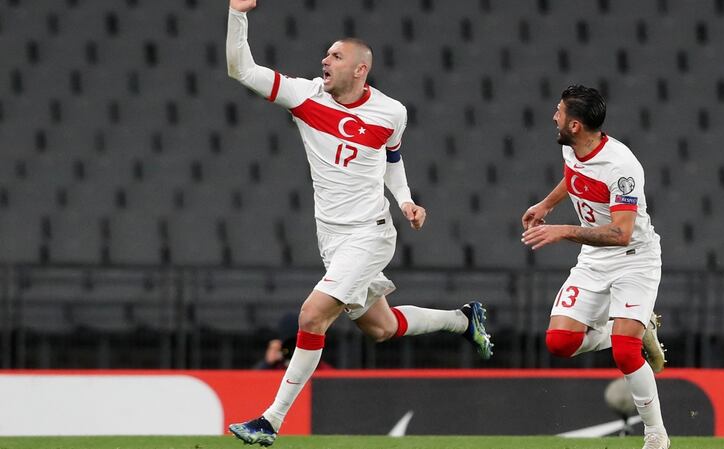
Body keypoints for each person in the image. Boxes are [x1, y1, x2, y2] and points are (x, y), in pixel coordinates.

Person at [225, 1, 493, 445]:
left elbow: (392, 157)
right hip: (330, 237)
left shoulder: (391, 112)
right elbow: (241, 69)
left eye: (335, 56)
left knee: (311, 317)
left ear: (360, 69)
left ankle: (270, 421)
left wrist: (405, 200)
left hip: (369, 233)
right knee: (381, 328)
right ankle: (463, 320)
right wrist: (238, 13)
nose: (324, 61)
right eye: (325, 55)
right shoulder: (305, 95)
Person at [520, 85, 670, 449]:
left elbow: (621, 233)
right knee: (559, 342)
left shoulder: (622, 167)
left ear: (574, 125)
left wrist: (564, 231)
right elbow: (574, 176)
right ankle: (638, 327)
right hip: (593, 258)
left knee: (624, 351)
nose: (553, 116)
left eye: (558, 112)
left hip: (634, 259)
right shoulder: (575, 148)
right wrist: (547, 204)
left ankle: (655, 434)